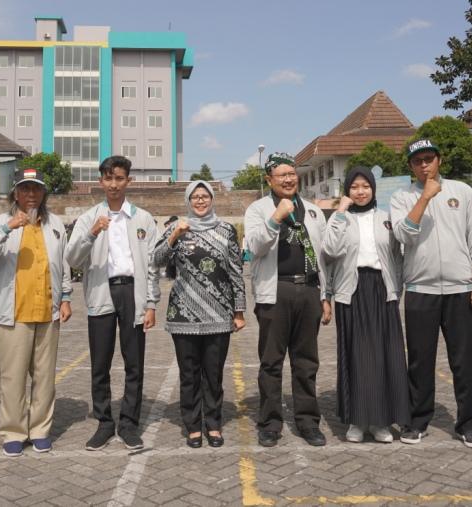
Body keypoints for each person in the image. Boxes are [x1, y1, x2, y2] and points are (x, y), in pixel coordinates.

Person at [390, 139, 472, 449]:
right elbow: (403, 234)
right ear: (410, 166)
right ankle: (418, 421)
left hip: (460, 289)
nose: (424, 165)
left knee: (464, 361)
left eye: (429, 159)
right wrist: (425, 198)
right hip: (421, 289)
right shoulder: (402, 196)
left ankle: (469, 424)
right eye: (417, 161)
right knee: (420, 361)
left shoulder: (462, 191)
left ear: (439, 160)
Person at [0, 168, 72, 457]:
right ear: (15, 193)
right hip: (13, 313)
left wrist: (66, 297)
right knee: (12, 377)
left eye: (36, 189)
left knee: (45, 377)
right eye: (25, 189)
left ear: (43, 193)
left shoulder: (54, 224)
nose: (31, 194)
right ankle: (14, 431)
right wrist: (8, 228)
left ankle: (40, 429)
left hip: (48, 313)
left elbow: (63, 264)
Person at [65, 156, 159, 451]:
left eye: (119, 178)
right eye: (108, 178)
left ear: (128, 181)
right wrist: (92, 233)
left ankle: (129, 424)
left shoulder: (142, 219)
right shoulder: (89, 218)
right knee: (100, 363)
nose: (114, 184)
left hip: (133, 292)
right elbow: (72, 259)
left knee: (134, 363)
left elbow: (152, 265)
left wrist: (151, 303)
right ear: (100, 182)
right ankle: (104, 423)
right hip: (101, 293)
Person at [244, 152, 332, 448]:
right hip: (275, 292)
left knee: (306, 362)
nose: (288, 179)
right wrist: (276, 217)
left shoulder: (313, 210)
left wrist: (325, 295)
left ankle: (308, 422)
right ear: (269, 179)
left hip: (308, 290)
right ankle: (270, 423)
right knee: (271, 362)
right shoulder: (258, 209)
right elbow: (254, 247)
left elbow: (321, 257)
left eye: (292, 173)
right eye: (281, 175)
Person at [153, 181, 245, 448]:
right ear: (188, 200)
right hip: (184, 314)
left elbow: (236, 271)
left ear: (212, 199)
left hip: (219, 315)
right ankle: (193, 426)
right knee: (189, 374)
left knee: (213, 374)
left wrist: (239, 311)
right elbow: (157, 260)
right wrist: (174, 235)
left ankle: (213, 424)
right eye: (195, 197)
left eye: (205, 196)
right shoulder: (177, 227)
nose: (201, 200)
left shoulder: (226, 230)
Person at [323, 167, 409, 444]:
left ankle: (381, 421)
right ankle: (357, 421)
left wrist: (395, 289)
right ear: (347, 191)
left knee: (386, 355)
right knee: (356, 355)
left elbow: (397, 257)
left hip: (382, 290)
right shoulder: (341, 218)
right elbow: (330, 250)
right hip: (351, 291)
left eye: (365, 186)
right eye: (354, 187)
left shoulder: (386, 219)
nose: (360, 192)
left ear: (373, 188)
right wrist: (340, 212)